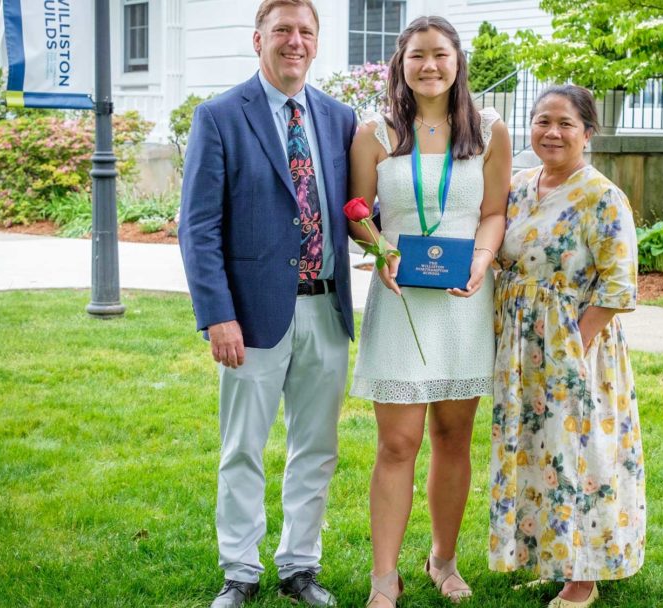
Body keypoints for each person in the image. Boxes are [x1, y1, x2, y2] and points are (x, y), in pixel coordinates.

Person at [177, 1, 356, 606]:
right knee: (243, 448)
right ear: (258, 40)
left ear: (316, 42)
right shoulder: (221, 116)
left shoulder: (339, 119)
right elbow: (198, 227)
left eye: (305, 31)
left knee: (317, 448)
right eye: (282, 30)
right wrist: (218, 314)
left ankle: (300, 566)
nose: (294, 41)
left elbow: (358, 208)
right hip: (250, 316)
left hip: (326, 310)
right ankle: (240, 570)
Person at [346, 15, 512, 608]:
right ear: (401, 63)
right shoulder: (374, 132)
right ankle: (383, 579)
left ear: (457, 60)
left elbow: (494, 212)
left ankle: (443, 560)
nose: (430, 65)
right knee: (397, 443)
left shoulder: (490, 131)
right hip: (400, 302)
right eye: (417, 55)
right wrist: (380, 250)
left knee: (452, 437)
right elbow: (358, 212)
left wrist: (483, 259)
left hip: (463, 300)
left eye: (440, 54)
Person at [488, 85, 645, 608]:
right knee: (536, 451)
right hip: (521, 348)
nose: (551, 132)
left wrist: (576, 343)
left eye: (565, 124)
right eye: (542, 121)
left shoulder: (602, 196)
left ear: (588, 133)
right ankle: (551, 557)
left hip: (575, 345)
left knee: (579, 455)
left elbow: (619, 286)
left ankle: (584, 575)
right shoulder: (517, 186)